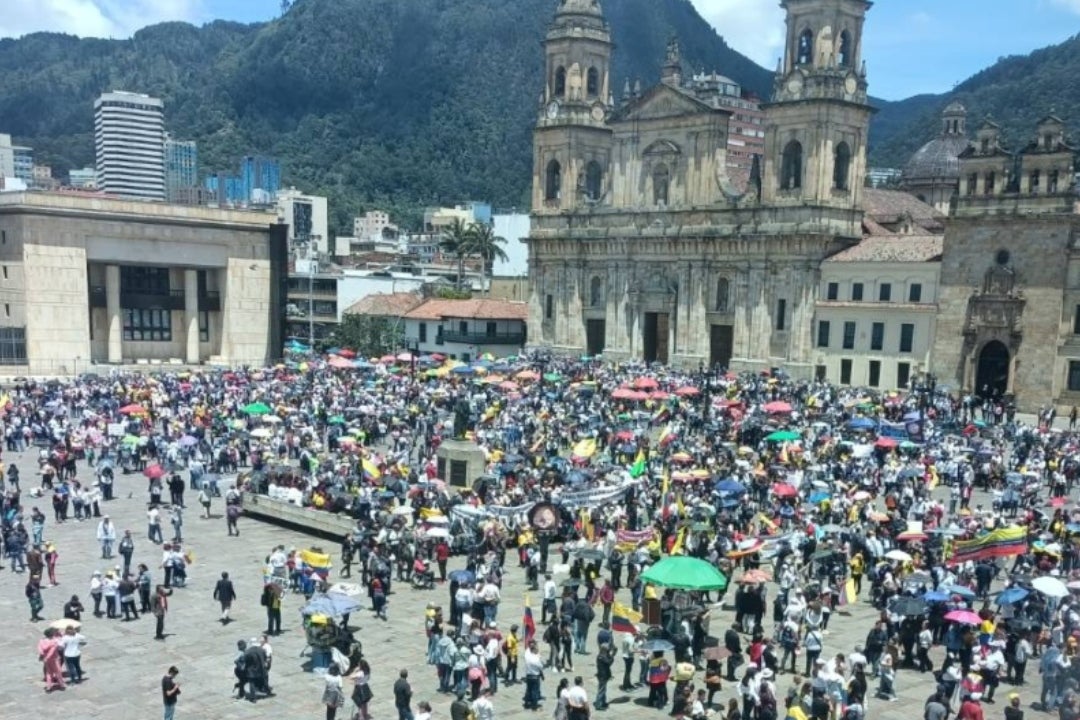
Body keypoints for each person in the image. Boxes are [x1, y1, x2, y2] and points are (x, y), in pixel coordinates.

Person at [38, 628, 66, 692]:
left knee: (49, 673)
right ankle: (61, 685)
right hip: (54, 659)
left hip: (46, 660)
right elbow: (52, 651)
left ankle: (49, 687)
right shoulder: (53, 642)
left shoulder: (42, 640)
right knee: (58, 672)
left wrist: (43, 655)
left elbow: (40, 648)